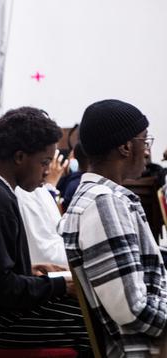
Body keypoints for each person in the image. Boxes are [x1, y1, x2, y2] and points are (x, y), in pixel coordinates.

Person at [0, 107, 89, 353]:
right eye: (44, 162)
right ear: (20, 157)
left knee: (88, 313)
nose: (48, 171)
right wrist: (59, 286)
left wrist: (31, 272)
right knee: (93, 322)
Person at [59, 99, 165, 357]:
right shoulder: (102, 204)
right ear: (126, 147)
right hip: (142, 347)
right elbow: (130, 308)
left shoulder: (101, 198)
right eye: (145, 140)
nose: (148, 151)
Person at [15, 149, 69, 266]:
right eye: (45, 162)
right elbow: (44, 255)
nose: (48, 170)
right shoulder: (27, 192)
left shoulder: (38, 188)